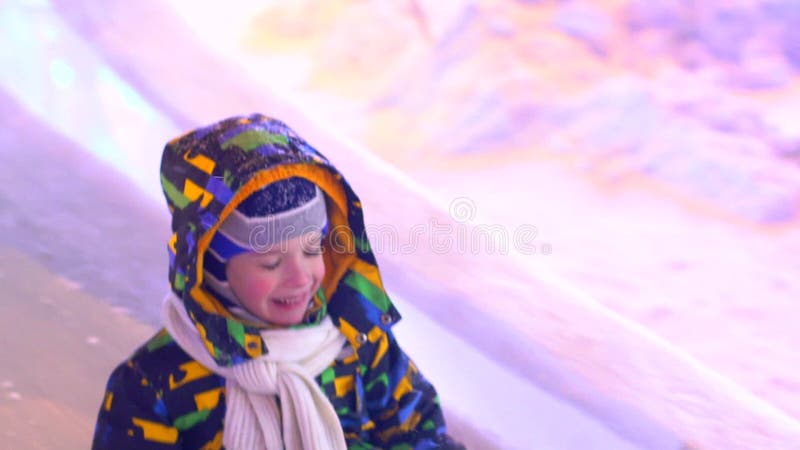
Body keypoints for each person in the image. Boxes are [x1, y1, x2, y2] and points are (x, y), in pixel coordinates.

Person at [92, 114, 464, 449]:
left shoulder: (361, 343)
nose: (300, 277)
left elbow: (420, 434)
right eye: (271, 263)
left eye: (313, 249)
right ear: (213, 267)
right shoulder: (153, 384)